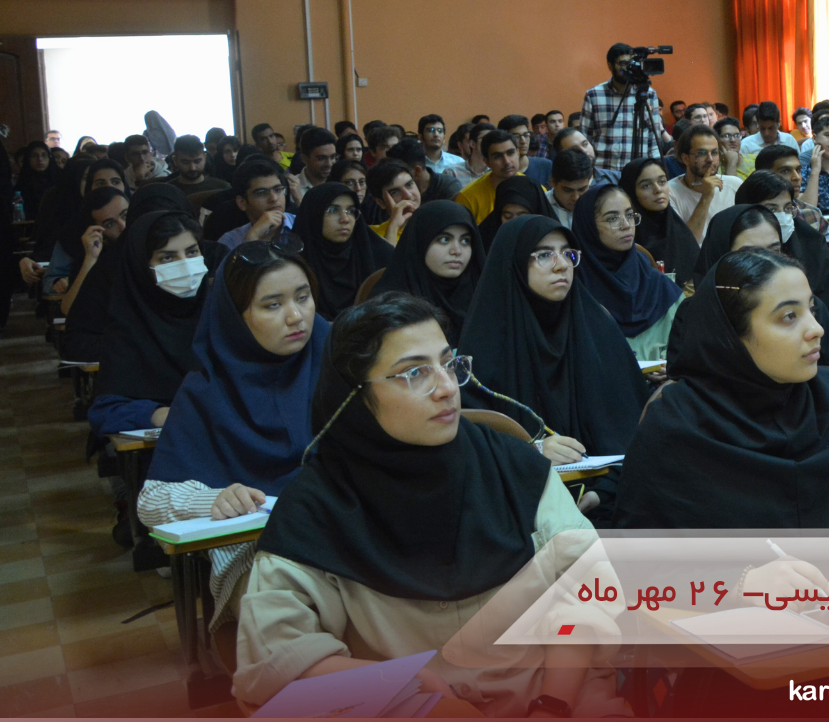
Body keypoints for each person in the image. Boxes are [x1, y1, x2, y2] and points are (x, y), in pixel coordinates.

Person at [235, 294, 626, 717]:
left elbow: (587, 595)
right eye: (415, 372)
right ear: (357, 396)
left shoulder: (517, 472)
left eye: (449, 363)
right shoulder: (317, 507)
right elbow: (274, 658)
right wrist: (402, 685)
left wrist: (552, 703)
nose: (447, 388)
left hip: (552, 698)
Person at [617, 247, 829, 529]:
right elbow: (641, 558)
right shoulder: (677, 427)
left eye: (812, 309)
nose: (817, 329)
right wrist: (740, 573)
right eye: (789, 316)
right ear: (731, 335)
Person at [139, 244, 332, 623]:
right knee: (285, 614)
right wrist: (215, 499)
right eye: (272, 305)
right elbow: (152, 501)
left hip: (346, 527)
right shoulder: (207, 389)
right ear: (236, 317)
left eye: (303, 297)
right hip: (258, 548)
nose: (296, 316)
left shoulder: (342, 360)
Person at [461, 215, 644, 520]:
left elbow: (635, 431)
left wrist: (604, 491)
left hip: (609, 496)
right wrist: (532, 450)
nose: (562, 266)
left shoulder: (597, 327)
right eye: (544, 255)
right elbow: (472, 443)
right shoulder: (487, 342)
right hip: (520, 502)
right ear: (514, 263)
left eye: (568, 254)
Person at [695, 205, 829, 392]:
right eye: (750, 255)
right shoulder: (696, 316)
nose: (767, 263)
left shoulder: (803, 303)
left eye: (775, 250)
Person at [85, 211, 208, 437]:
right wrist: (160, 414)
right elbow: (105, 411)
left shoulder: (221, 315)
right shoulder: (128, 327)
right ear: (142, 266)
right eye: (167, 258)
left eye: (192, 252)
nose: (185, 265)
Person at [572, 183, 681, 358]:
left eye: (630, 215)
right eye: (612, 219)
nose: (626, 225)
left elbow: (688, 351)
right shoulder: (572, 289)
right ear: (588, 226)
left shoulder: (659, 286)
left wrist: (672, 368)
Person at [735, 170, 829, 328]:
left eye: (787, 208)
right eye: (771, 209)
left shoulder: (810, 240)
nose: (782, 217)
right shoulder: (737, 246)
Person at [380, 201, 485, 342]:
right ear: (420, 242)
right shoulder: (390, 306)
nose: (457, 251)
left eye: (465, 241)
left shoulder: (483, 295)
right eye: (444, 239)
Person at [294, 182, 394, 321]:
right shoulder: (294, 261)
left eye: (351, 211)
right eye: (333, 210)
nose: (345, 219)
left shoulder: (380, 255)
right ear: (313, 214)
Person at [581, 42, 672, 171]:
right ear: (610, 66)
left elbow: (653, 138)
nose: (628, 68)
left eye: (630, 63)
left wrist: (656, 169)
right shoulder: (594, 95)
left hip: (638, 170)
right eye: (623, 63)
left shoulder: (649, 94)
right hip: (604, 170)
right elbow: (585, 137)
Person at [622, 158, 701, 286]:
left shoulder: (678, 229)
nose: (658, 190)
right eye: (646, 185)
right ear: (631, 191)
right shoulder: (626, 236)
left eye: (662, 182)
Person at [666, 123, 739, 244]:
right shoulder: (669, 192)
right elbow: (684, 245)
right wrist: (706, 197)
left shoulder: (734, 185)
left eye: (714, 153)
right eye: (702, 153)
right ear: (685, 159)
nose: (710, 159)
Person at [217, 159, 297, 252]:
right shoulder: (230, 241)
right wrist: (252, 238)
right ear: (242, 202)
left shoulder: (302, 224)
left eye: (278, 190)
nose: (274, 198)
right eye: (261, 193)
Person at [453, 129, 523, 225]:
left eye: (510, 153)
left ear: (518, 153)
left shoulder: (535, 189)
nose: (507, 162)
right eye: (497, 156)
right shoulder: (468, 197)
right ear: (487, 162)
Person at [478, 176, 557, 251]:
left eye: (522, 217)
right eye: (507, 216)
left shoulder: (554, 239)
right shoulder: (485, 241)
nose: (515, 223)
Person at [366, 160, 421, 243]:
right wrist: (394, 226)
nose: (408, 195)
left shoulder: (436, 221)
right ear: (381, 202)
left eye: (409, 185)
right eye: (395, 192)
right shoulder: (371, 235)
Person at [547, 148, 596, 229]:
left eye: (582, 189)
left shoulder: (597, 207)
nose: (576, 198)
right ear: (553, 182)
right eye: (568, 190)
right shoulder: (539, 207)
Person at [499, 114, 552, 186]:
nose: (523, 141)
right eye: (516, 136)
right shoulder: (499, 171)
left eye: (526, 135)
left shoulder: (545, 166)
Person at [289, 128, 337, 204]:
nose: (329, 164)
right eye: (321, 158)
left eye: (332, 157)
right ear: (304, 159)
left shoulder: (341, 182)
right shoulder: (291, 189)